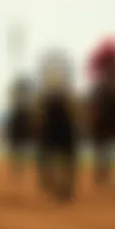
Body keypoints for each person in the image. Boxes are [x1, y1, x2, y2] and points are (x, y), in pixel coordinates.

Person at [34, 50, 81, 202]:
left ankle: (66, 186)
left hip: (64, 124)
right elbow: (38, 112)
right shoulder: (45, 93)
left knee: (68, 157)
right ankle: (54, 181)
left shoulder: (67, 91)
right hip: (54, 124)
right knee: (48, 155)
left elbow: (76, 109)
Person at [86, 36, 115, 185]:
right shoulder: (100, 66)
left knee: (108, 149)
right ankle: (100, 174)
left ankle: (108, 174)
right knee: (101, 148)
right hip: (100, 118)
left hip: (113, 112)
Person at [5, 77, 34, 182]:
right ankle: (17, 167)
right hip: (17, 133)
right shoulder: (17, 110)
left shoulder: (25, 110)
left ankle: (19, 167)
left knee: (19, 151)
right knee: (16, 151)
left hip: (20, 133)